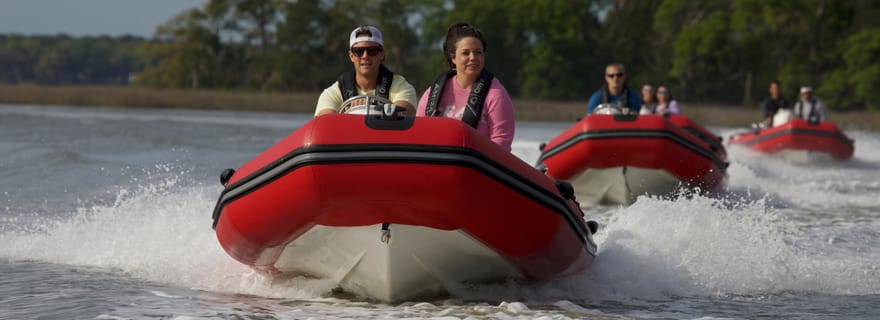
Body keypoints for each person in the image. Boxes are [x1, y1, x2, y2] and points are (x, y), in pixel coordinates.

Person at [416, 22, 515, 151]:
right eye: (465, 53)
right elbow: (418, 134)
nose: (473, 58)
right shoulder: (433, 93)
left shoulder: (496, 95)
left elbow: (501, 146)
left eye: (478, 52)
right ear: (453, 58)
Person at [314, 25, 418, 117]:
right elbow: (324, 123)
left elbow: (405, 112)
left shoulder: (401, 86)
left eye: (372, 51)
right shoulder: (333, 92)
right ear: (351, 56)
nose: (365, 56)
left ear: (382, 54)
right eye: (358, 51)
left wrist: (365, 109)